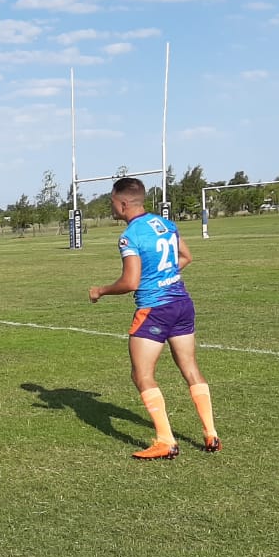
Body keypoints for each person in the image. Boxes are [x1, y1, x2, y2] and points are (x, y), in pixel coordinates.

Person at [89, 175, 220, 459]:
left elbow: (130, 282)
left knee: (142, 374)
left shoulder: (130, 235)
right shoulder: (165, 224)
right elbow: (186, 257)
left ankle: (165, 441)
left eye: (112, 201)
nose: (111, 207)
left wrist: (100, 290)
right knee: (190, 368)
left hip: (155, 310)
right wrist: (164, 277)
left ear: (123, 204)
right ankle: (211, 433)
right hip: (182, 303)